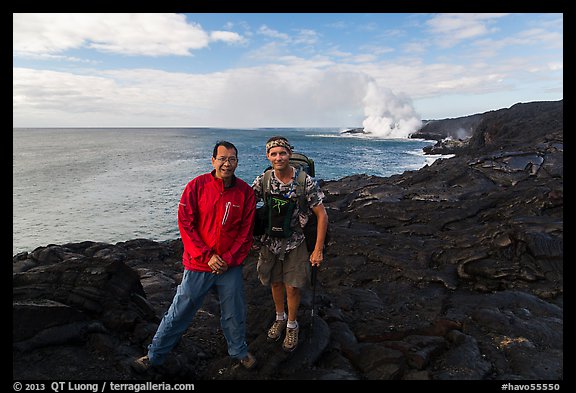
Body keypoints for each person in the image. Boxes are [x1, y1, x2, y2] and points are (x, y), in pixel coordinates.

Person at [133, 140, 257, 372]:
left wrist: (227, 259)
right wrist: (208, 255)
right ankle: (154, 355)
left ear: (237, 162)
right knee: (179, 311)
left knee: (234, 312)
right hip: (199, 264)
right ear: (213, 160)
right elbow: (186, 225)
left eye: (231, 159)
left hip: (229, 266)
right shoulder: (197, 186)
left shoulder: (245, 193)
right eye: (222, 158)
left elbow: (245, 233)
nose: (227, 164)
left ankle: (238, 351)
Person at [252, 136, 328, 352]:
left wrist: (317, 250)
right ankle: (279, 317)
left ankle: (292, 324)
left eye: (282, 153)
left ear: (289, 155)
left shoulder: (305, 182)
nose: (278, 157)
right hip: (270, 242)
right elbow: (246, 204)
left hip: (296, 242)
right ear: (268, 156)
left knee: (292, 286)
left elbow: (322, 215)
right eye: (274, 154)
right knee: (275, 283)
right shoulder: (264, 180)